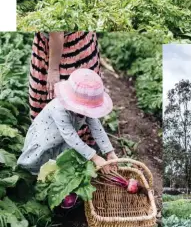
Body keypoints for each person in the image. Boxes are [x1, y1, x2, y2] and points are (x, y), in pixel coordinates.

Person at [18, 68, 118, 209]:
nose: (86, 113)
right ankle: (37, 184)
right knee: (41, 161)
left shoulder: (86, 110)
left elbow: (97, 128)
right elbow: (71, 137)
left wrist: (109, 152)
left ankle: (58, 187)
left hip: (61, 141)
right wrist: (95, 157)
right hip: (45, 139)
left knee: (61, 162)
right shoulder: (59, 109)